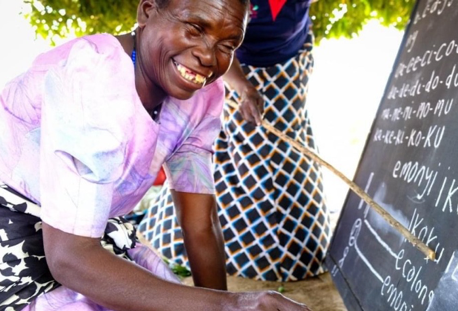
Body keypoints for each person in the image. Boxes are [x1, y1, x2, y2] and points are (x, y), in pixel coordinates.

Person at [0, 0, 331, 311]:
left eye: (228, 44)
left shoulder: (204, 98)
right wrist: (225, 310)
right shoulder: (91, 75)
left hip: (82, 238)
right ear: (147, 12)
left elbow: (199, 223)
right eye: (195, 27)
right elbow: (68, 257)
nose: (208, 55)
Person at [138, 0, 331, 282]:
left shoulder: (296, 11)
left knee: (289, 161)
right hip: (235, 73)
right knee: (242, 163)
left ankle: (296, 253)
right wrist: (243, 88)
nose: (204, 54)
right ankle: (236, 254)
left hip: (289, 75)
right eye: (195, 29)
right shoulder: (213, 51)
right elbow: (213, 44)